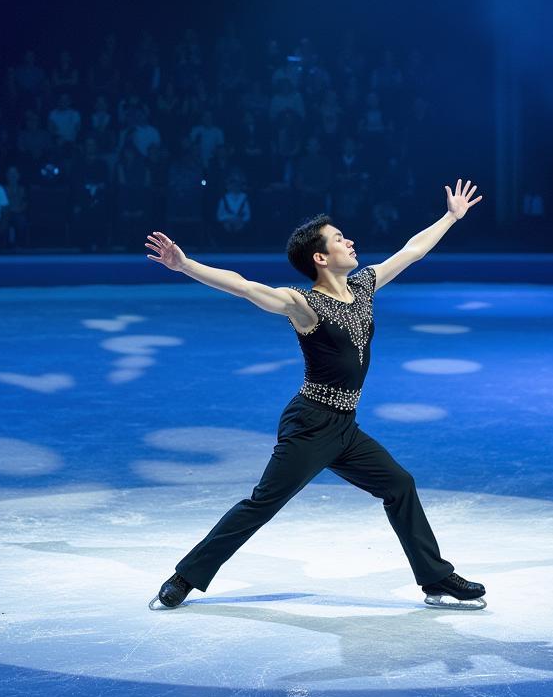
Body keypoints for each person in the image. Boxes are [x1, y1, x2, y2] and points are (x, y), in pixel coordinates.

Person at [145, 178, 486, 611]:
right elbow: (246, 286)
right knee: (262, 504)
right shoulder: (303, 305)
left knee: (399, 484)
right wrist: (186, 265)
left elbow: (411, 251)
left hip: (345, 428)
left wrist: (450, 217)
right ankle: (184, 577)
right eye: (340, 239)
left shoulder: (363, 288)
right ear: (321, 257)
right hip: (310, 424)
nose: (351, 241)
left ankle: (435, 579)